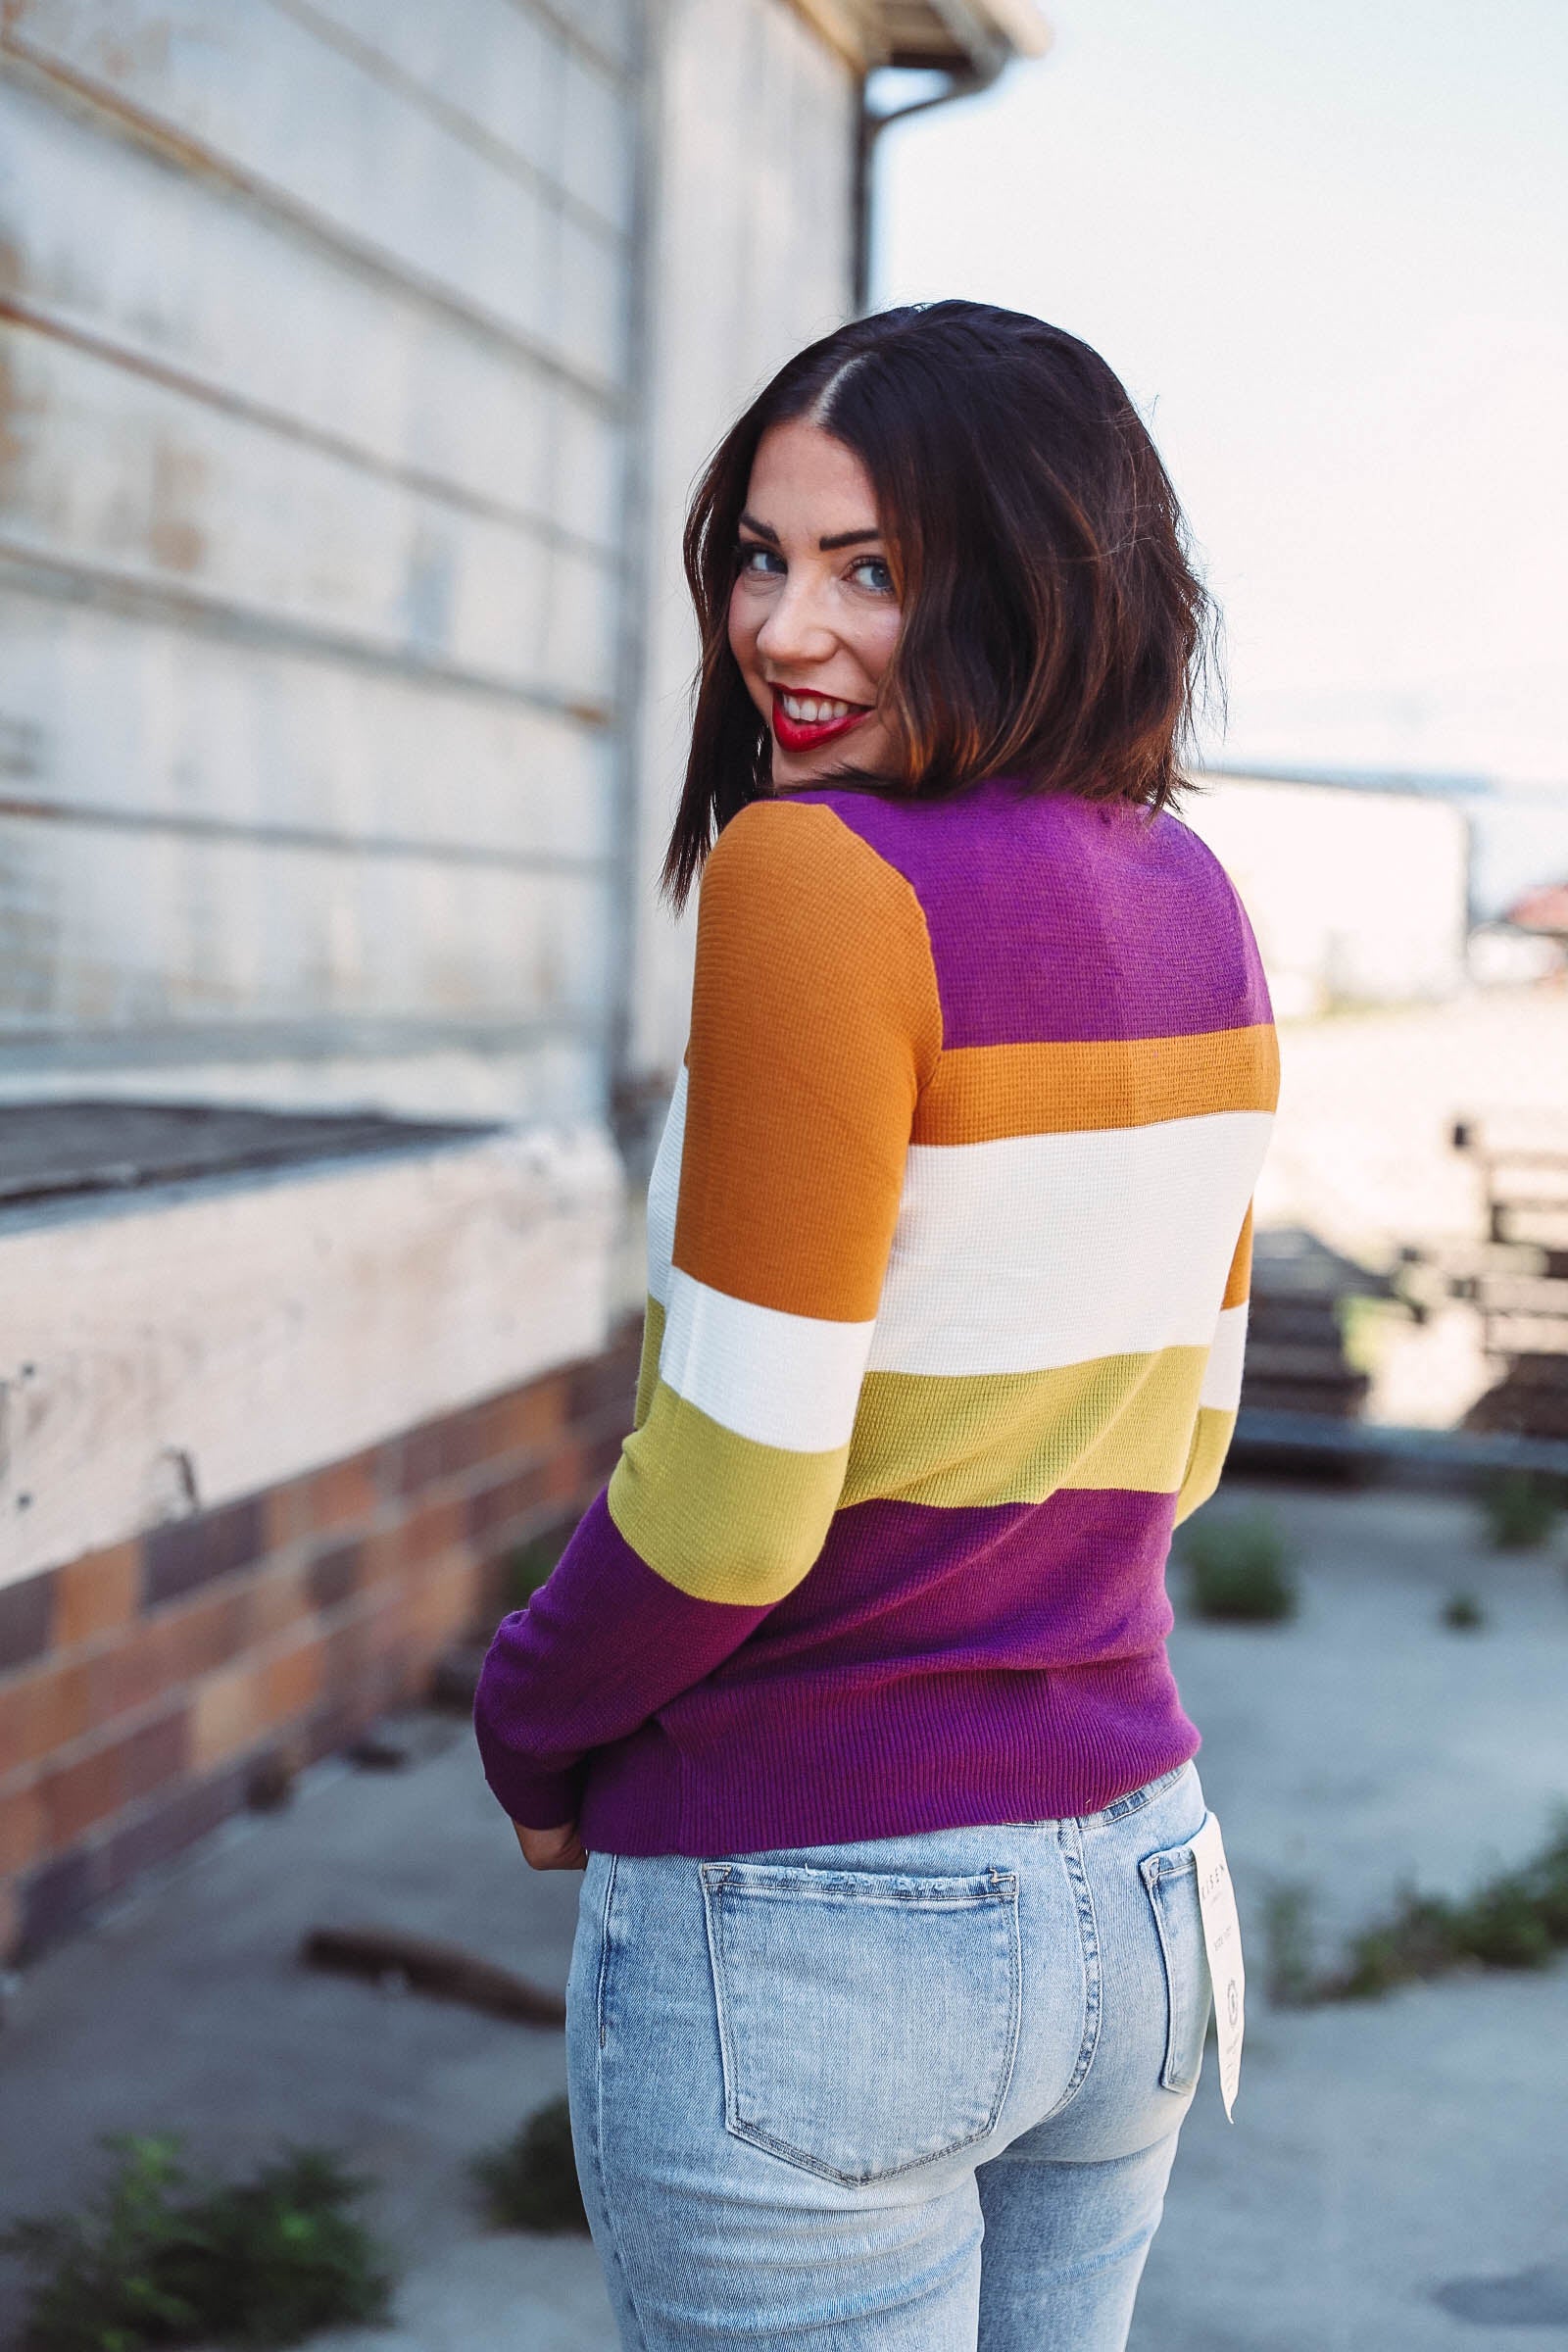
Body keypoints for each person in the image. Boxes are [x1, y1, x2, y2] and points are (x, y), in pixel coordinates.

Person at [474, 301, 1277, 2350]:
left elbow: (731, 1502)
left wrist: (531, 1713)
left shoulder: (813, 881)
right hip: (1139, 1887)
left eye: (872, 569)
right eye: (761, 557)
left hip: (824, 1914)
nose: (783, 631)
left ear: (1034, 577)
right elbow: (1183, 1444)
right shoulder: (1195, 899)